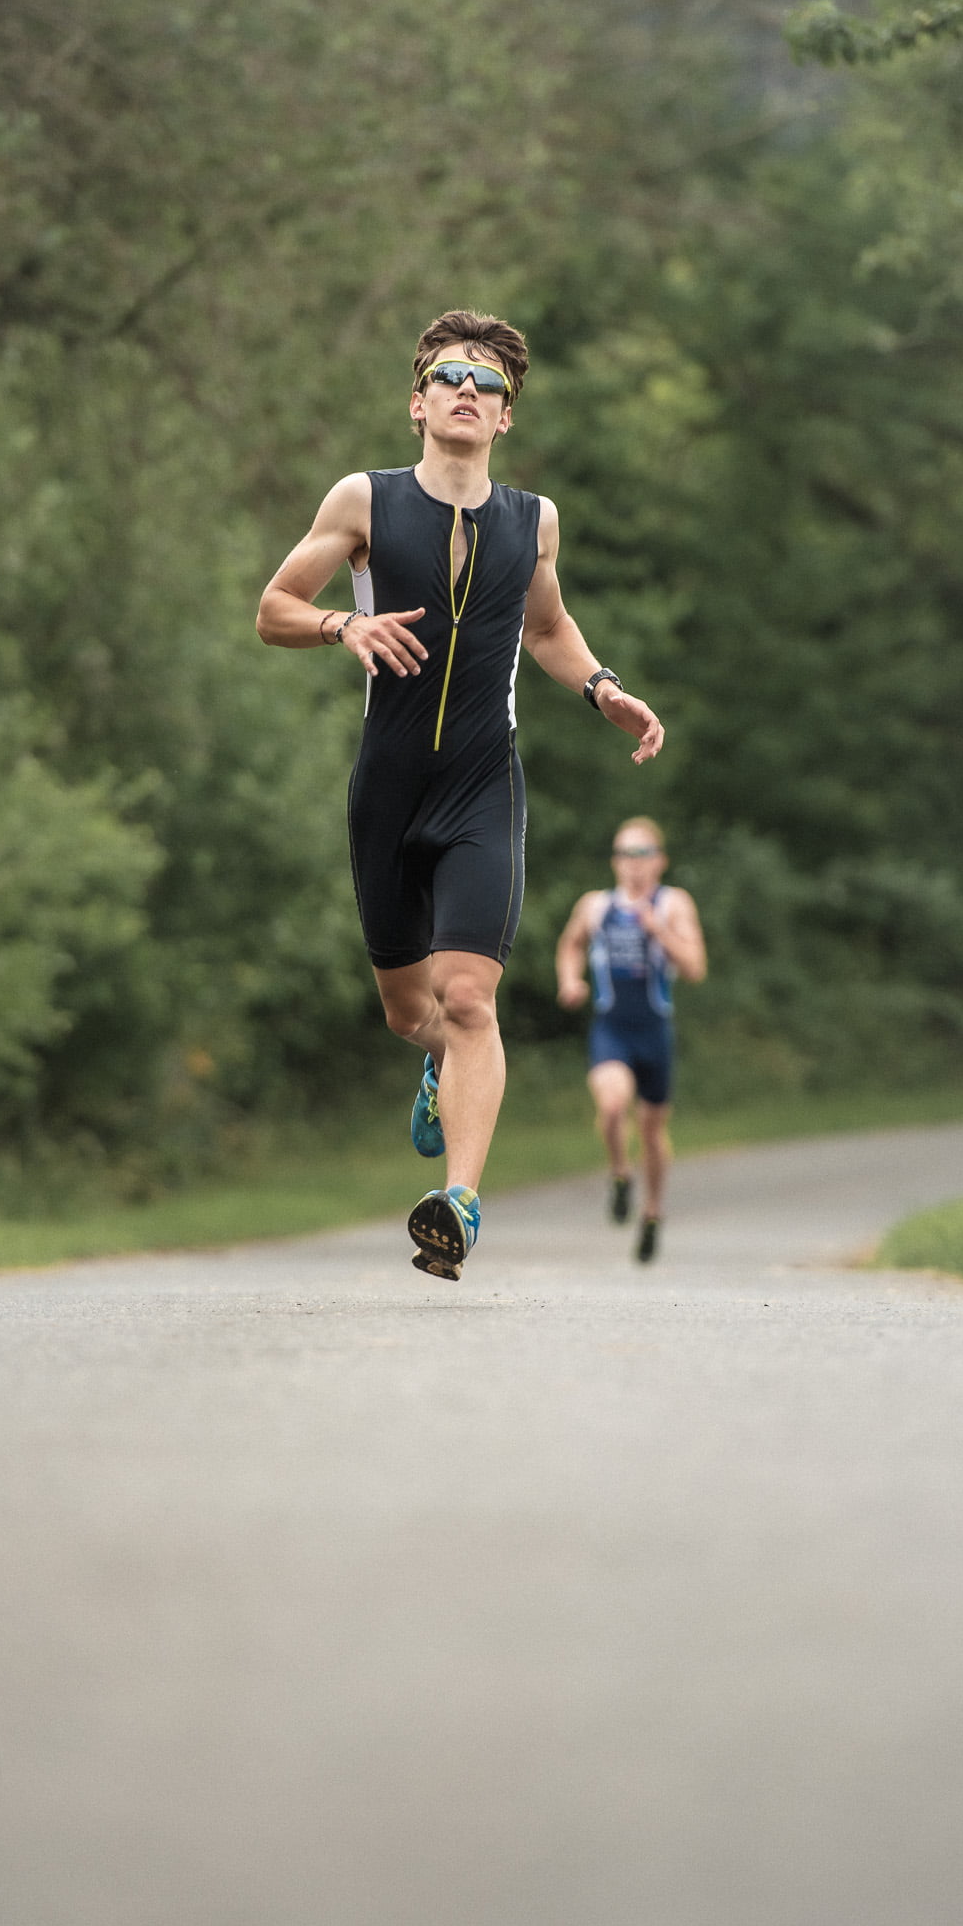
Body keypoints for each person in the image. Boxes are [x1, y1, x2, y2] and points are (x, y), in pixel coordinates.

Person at [257, 310, 663, 1280]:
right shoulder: (363, 501)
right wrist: (335, 629)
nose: (467, 391)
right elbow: (270, 607)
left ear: (504, 419)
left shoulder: (534, 520)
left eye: (488, 385)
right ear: (416, 401)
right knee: (411, 1014)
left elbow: (548, 624)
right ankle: (436, 1070)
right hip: (386, 790)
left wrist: (604, 688)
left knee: (469, 996)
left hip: (484, 784)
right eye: (450, 375)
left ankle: (460, 1204)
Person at [555, 817, 707, 1261]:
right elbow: (570, 944)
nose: (633, 864)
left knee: (653, 1129)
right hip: (612, 1028)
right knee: (612, 1104)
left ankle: (653, 1213)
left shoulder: (673, 904)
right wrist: (570, 981)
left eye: (642, 854)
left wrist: (657, 929)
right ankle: (621, 1174)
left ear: (660, 860)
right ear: (614, 861)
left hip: (654, 1031)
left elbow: (696, 967)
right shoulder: (596, 906)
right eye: (624, 854)